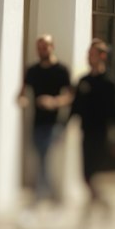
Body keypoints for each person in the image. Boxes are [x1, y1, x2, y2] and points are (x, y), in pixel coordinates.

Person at [68, 38, 115, 222]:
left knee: (94, 173)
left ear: (102, 56)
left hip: (101, 133)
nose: (88, 58)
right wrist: (66, 124)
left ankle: (91, 209)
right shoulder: (83, 81)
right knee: (85, 175)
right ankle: (102, 203)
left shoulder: (110, 83)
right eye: (87, 54)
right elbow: (75, 107)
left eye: (92, 54)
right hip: (86, 132)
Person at [17, 33, 73, 207]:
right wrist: (23, 100)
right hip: (37, 122)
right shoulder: (32, 71)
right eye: (39, 47)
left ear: (52, 46)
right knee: (42, 158)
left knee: (44, 155)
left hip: (55, 123)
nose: (42, 50)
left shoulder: (61, 70)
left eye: (45, 46)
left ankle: (41, 195)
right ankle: (51, 194)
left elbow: (70, 95)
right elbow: (22, 92)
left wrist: (54, 102)